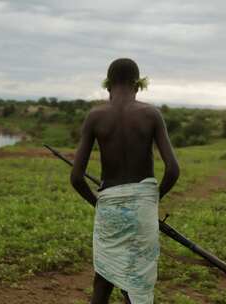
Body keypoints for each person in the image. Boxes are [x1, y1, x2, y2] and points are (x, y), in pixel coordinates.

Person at [70, 58, 180, 304]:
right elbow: (173, 170)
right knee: (137, 281)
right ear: (137, 85)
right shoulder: (151, 114)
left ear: (108, 86)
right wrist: (151, 201)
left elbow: (76, 178)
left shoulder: (95, 117)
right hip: (143, 209)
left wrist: (99, 203)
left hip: (109, 206)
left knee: (103, 279)